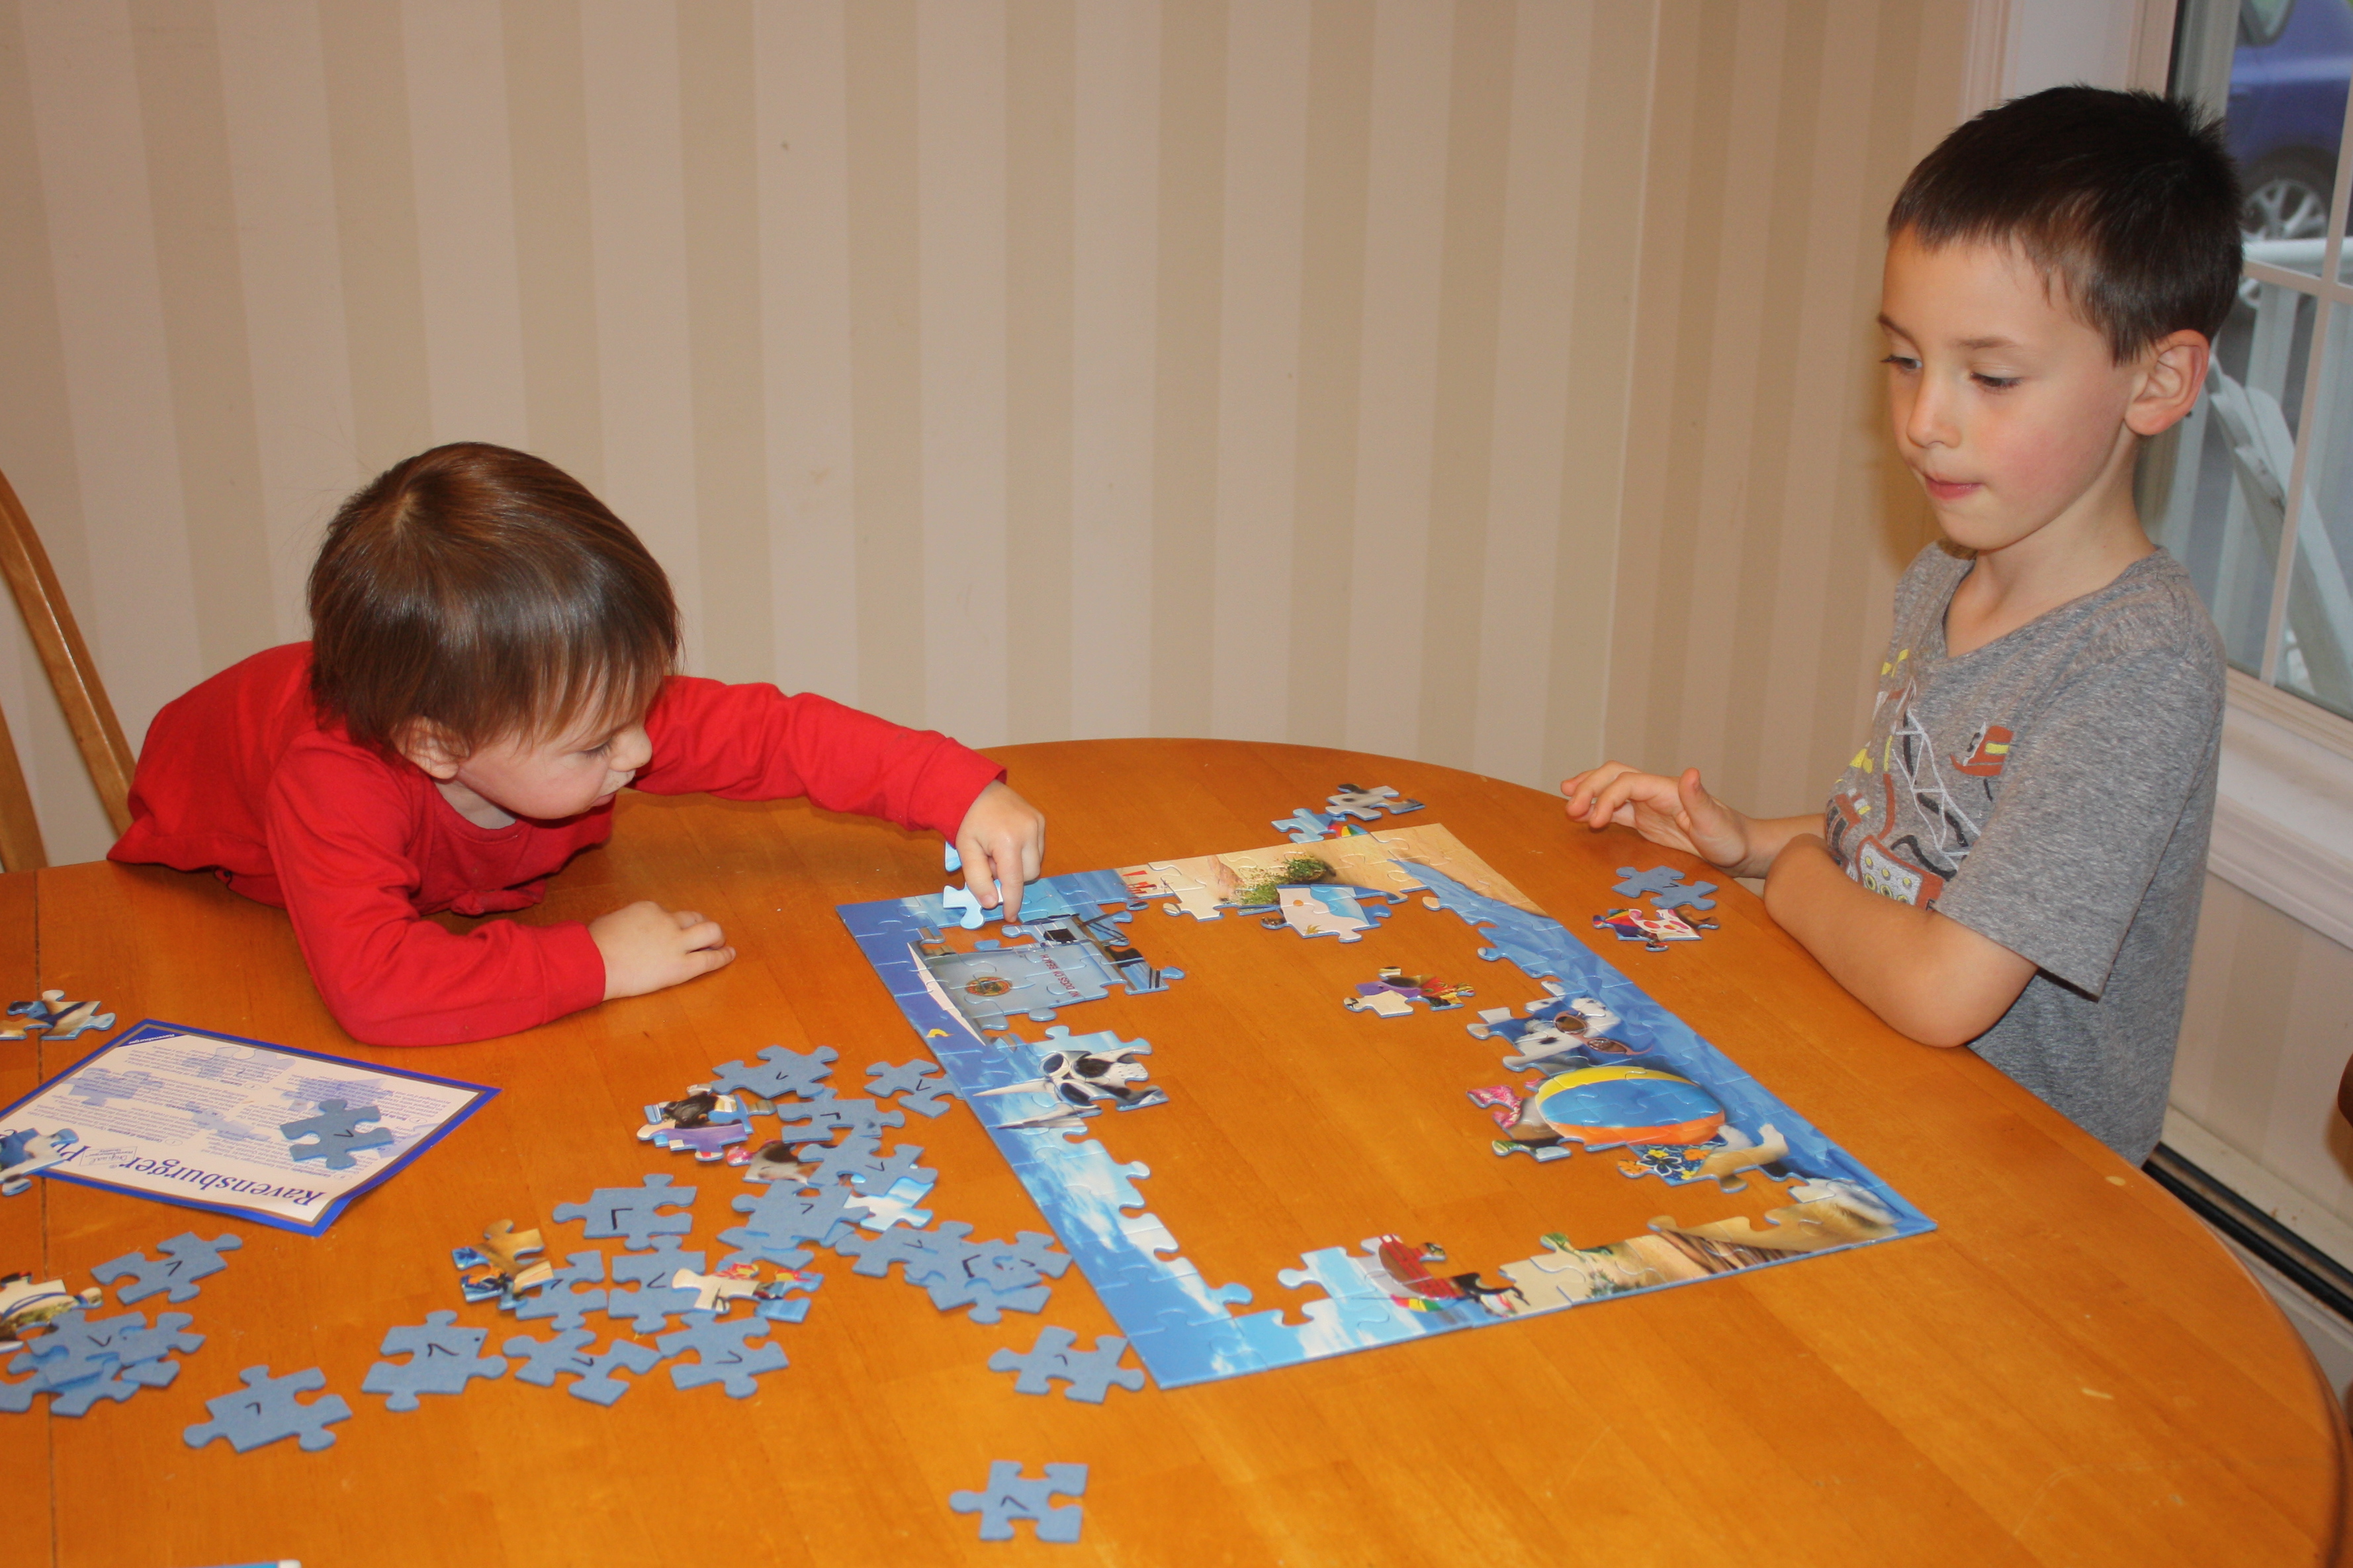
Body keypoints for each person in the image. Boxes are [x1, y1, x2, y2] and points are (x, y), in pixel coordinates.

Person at [1563, 87, 2239, 1163]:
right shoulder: (1944, 578)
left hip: (2023, 1182)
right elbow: (1908, 844)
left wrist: (1791, 877)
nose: (1925, 421)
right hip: (1876, 1092)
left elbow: (1941, 988)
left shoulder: (2139, 664)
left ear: (2158, 380)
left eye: (1992, 376)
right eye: (1907, 361)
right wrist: (1748, 839)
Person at [110, 443, 1045, 1047]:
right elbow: (376, 988)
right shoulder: (334, 779)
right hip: (214, 870)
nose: (637, 751)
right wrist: (596, 961)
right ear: (437, 746)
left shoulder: (571, 704)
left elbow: (777, 733)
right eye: (598, 745)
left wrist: (953, 788)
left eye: (639, 705)